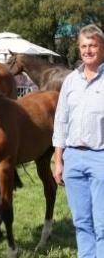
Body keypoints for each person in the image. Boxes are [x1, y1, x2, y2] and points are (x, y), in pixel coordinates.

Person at [53, 24, 104, 257]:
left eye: (92, 45)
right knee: (82, 221)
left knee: (102, 224)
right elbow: (61, 122)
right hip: (72, 157)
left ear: (101, 47)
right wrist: (58, 160)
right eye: (84, 46)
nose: (88, 50)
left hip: (100, 158)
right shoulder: (71, 81)